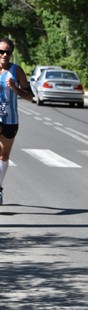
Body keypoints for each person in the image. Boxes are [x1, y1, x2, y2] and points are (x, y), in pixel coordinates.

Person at [0, 38, 33, 205]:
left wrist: (15, 88)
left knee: (3, 156)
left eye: (8, 52)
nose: (5, 55)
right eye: (1, 52)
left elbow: (30, 96)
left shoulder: (16, 70)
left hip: (9, 119)